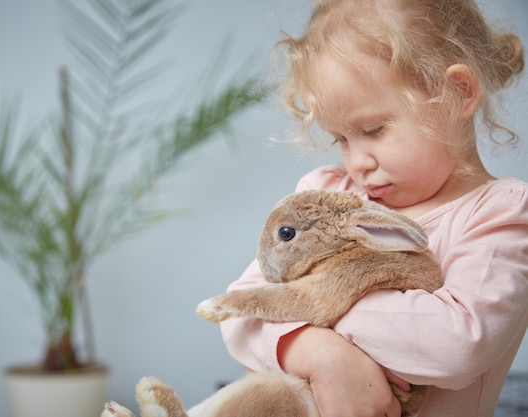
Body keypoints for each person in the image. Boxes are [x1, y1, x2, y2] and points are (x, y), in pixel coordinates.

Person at [220, 0, 528, 416]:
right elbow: (239, 310)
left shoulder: (500, 215)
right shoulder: (327, 196)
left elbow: (457, 346)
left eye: (373, 130)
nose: (357, 162)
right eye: (341, 139)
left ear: (457, 93)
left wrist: (314, 304)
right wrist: (324, 356)